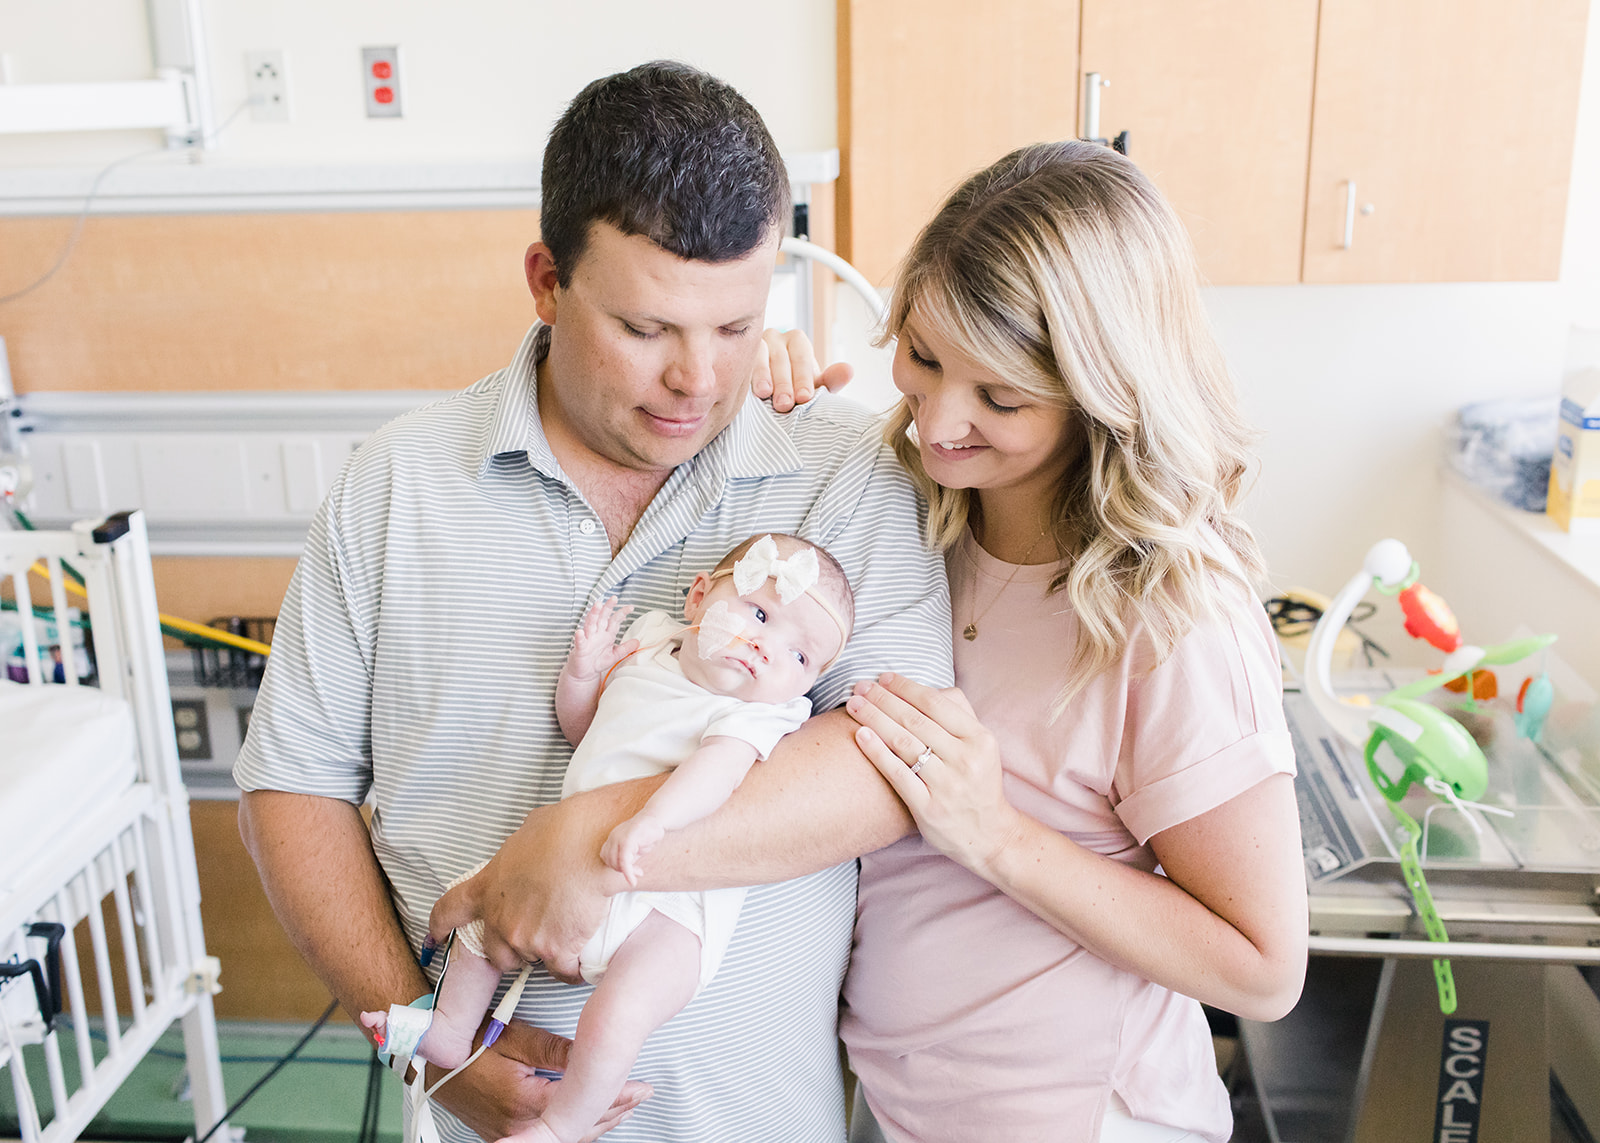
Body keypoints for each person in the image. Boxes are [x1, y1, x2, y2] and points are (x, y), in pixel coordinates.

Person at [233, 61, 951, 1143]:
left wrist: (583, 843)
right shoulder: (398, 484)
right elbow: (291, 792)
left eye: (735, 327)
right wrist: (425, 1043)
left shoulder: (843, 474)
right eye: (648, 329)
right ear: (544, 279)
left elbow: (892, 769)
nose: (696, 382)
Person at [836, 139, 1309, 1143]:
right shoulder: (918, 514)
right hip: (904, 1104)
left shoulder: (1171, 616)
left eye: (1000, 396)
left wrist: (993, 830)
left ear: (1104, 391)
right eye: (922, 357)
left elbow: (1261, 969)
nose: (938, 423)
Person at [362, 533, 855, 1143]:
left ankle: (563, 1125)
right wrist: (583, 672)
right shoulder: (649, 649)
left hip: (672, 909)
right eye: (758, 614)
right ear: (699, 597)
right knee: (482, 915)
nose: (766, 648)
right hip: (556, 870)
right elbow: (587, 730)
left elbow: (715, 774)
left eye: (800, 657)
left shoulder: (757, 715)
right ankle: (447, 1030)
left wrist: (653, 820)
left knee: (621, 1013)